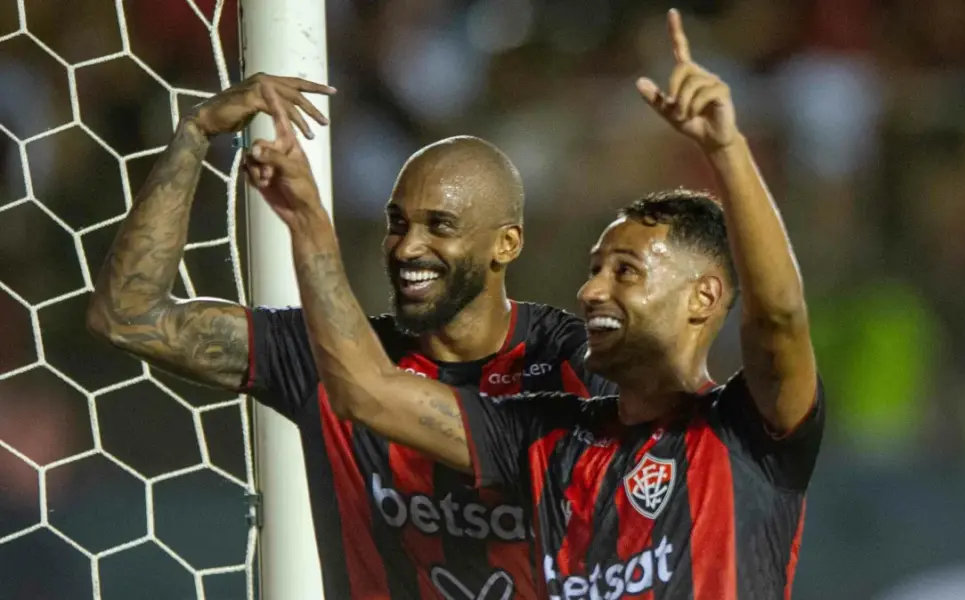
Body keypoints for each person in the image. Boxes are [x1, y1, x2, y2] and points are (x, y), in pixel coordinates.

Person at [245, 8, 823, 599]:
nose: (591, 290)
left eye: (624, 272)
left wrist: (727, 151)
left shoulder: (748, 435)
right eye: (595, 269)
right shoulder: (543, 436)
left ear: (703, 297)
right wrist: (309, 223)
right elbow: (365, 390)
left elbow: (778, 317)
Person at [86, 75, 613, 597]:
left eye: (440, 226)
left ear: (506, 244)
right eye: (398, 223)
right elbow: (127, 315)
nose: (408, 248)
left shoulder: (572, 361)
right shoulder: (324, 357)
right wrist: (195, 131)